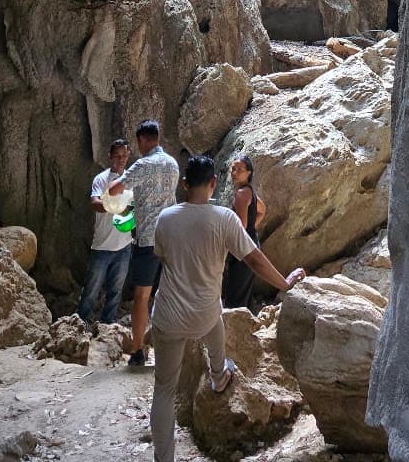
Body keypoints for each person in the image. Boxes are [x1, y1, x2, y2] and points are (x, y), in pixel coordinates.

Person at [149, 154, 305, 462]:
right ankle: (219, 374)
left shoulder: (165, 218)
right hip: (205, 315)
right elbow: (254, 259)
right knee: (215, 319)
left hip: (168, 316)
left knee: (164, 390)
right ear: (213, 182)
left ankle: (163, 458)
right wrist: (285, 283)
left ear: (184, 184)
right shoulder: (224, 218)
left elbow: (162, 257)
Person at [124, 119, 180, 369]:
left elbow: (116, 189)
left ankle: (138, 350)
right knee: (171, 294)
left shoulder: (142, 165)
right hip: (170, 239)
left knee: (142, 296)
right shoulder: (173, 164)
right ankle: (173, 349)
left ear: (141, 140)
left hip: (147, 240)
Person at [77, 137, 132, 328]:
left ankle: (108, 325)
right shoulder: (101, 179)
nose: (120, 159)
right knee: (91, 290)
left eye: (124, 155)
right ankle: (79, 323)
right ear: (110, 156)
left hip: (124, 245)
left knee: (116, 290)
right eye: (117, 155)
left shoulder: (131, 179)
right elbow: (94, 203)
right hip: (102, 245)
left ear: (128, 155)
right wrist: (116, 207)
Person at [221, 153, 265, 312]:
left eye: (239, 169)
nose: (234, 172)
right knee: (244, 293)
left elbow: (240, 226)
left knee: (235, 298)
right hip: (252, 244)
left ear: (249, 173)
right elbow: (262, 210)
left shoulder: (241, 194)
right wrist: (252, 229)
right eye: (233, 169)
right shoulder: (249, 192)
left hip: (242, 250)